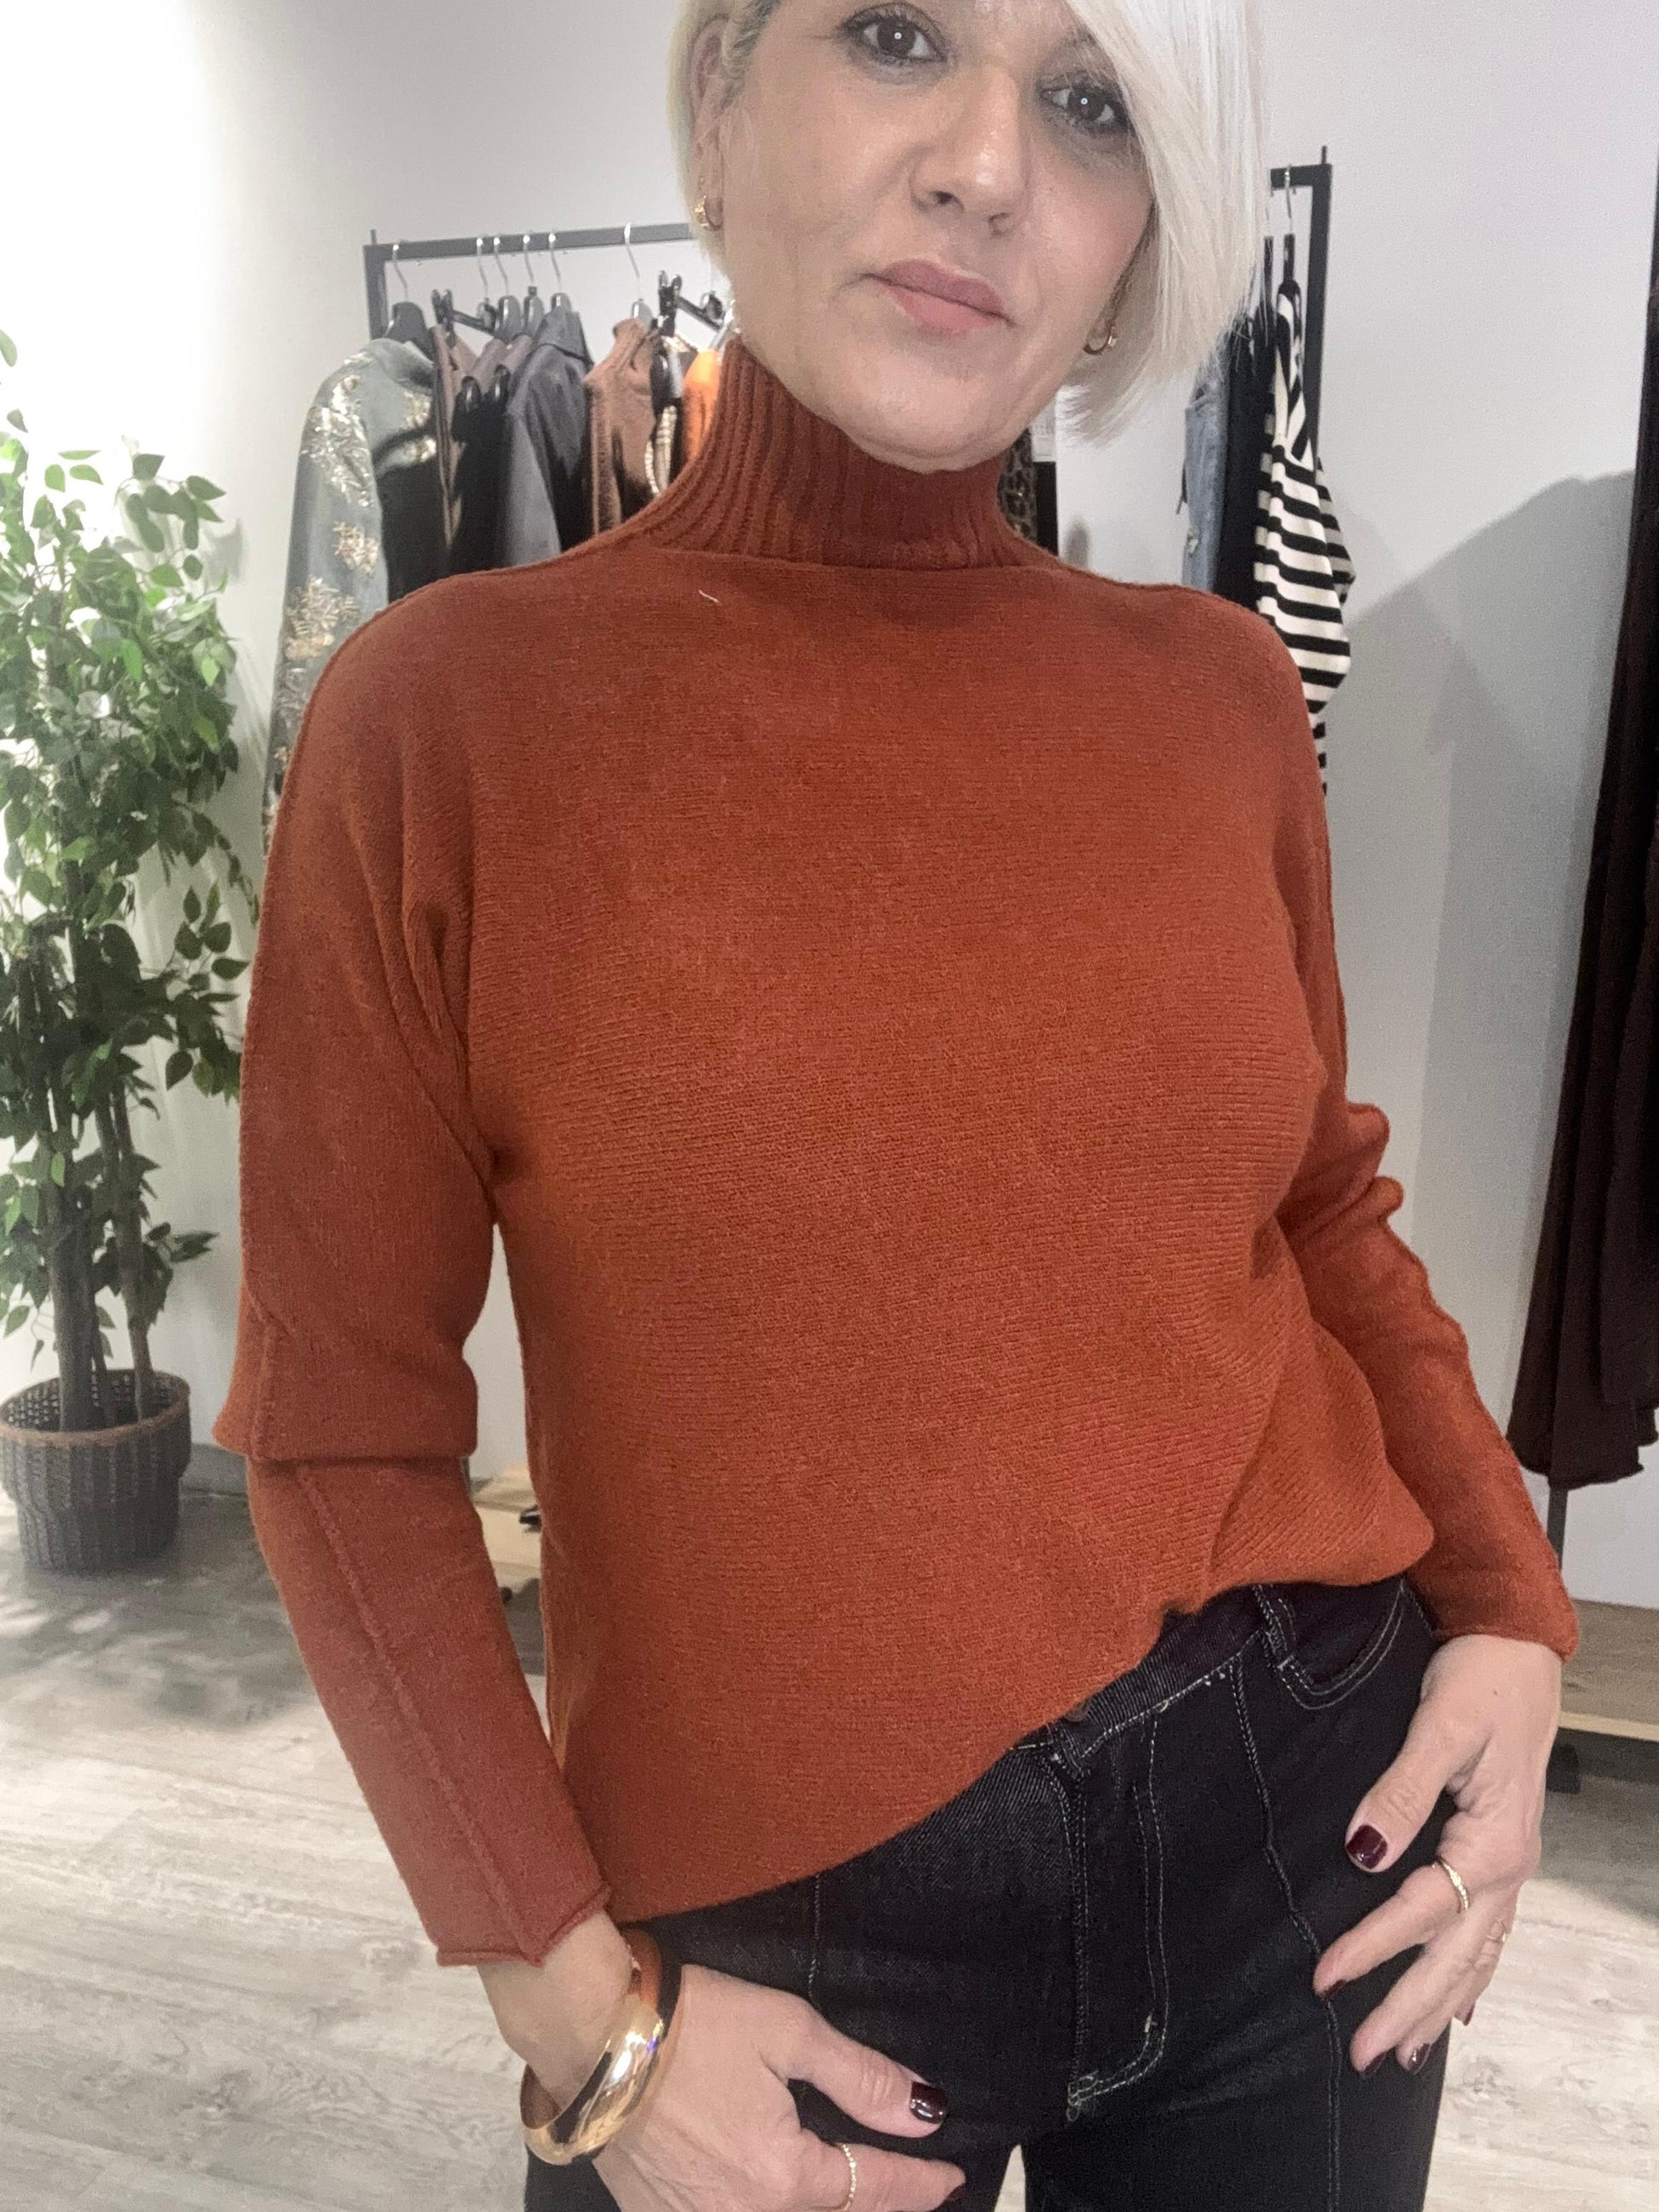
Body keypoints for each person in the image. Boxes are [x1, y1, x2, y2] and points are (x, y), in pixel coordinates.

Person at [213, 3, 1577, 2208]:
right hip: (775, 1938)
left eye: (1087, 101)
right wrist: (581, 2019)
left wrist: (1511, 1608)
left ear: (1137, 235)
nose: (985, 163)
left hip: (1297, 1834)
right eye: (892, 32)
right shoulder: (448, 723)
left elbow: (1315, 1204)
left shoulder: (1212, 697)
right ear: (718, 99)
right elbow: (339, 1431)